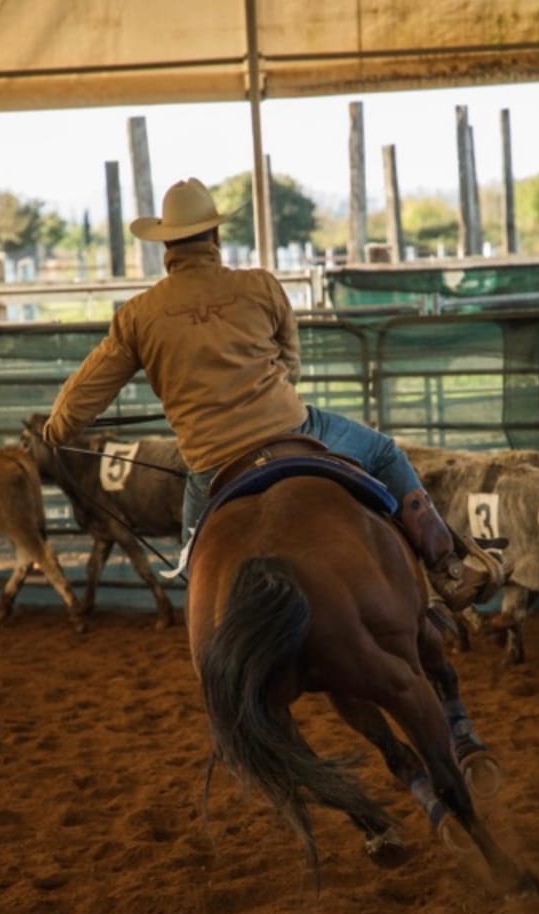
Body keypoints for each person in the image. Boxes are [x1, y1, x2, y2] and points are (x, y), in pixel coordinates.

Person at [42, 177, 504, 612]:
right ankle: (447, 569)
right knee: (383, 454)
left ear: (165, 244)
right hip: (292, 429)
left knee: (196, 565)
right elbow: (291, 364)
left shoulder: (138, 316)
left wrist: (56, 429)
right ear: (215, 236)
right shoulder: (260, 286)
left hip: (211, 461)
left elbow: (84, 392)